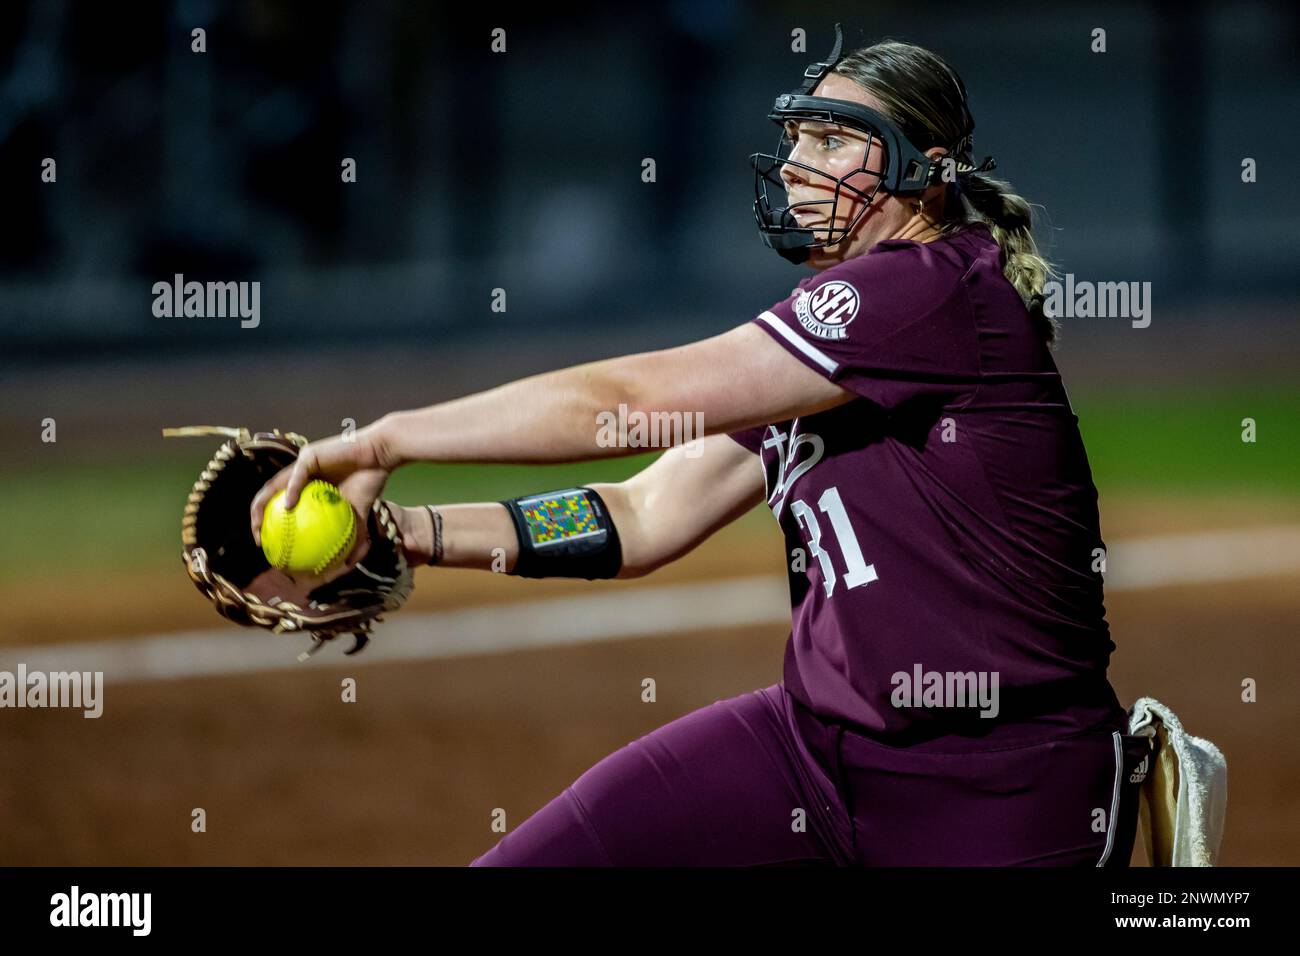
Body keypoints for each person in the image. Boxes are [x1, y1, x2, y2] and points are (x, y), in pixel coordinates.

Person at [250, 30, 1152, 866]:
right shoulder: (834, 348)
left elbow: (630, 400)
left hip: (1000, 787)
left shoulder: (924, 291)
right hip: (814, 751)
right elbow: (645, 513)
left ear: (926, 170)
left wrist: (387, 438)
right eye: (799, 141)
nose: (799, 168)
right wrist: (409, 531)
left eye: (835, 142)